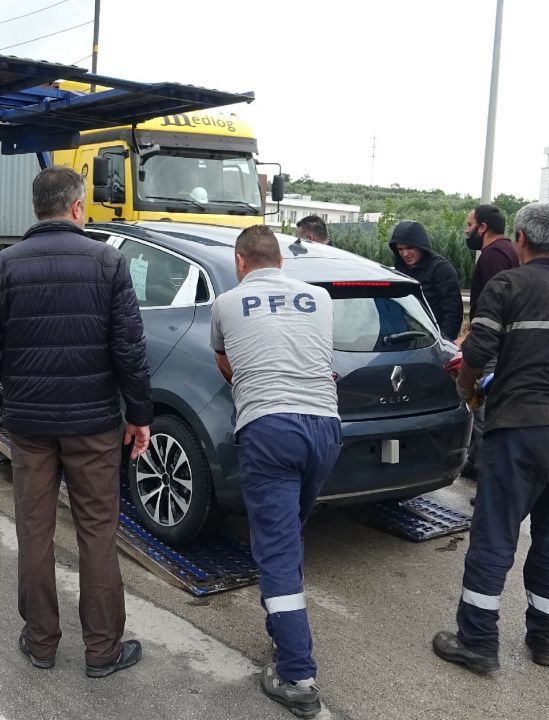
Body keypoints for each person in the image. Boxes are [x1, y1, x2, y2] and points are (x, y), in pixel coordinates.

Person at [0, 165, 152, 679]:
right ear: (77, 207)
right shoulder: (109, 263)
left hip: (29, 424)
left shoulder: (1, 267)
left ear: (36, 209)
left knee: (35, 531)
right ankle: (102, 651)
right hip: (94, 423)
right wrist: (139, 415)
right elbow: (129, 351)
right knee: (97, 531)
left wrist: (22, 380)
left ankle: (41, 642)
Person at [432, 202, 549, 674]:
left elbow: (478, 349)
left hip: (521, 428)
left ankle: (477, 641)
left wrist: (466, 388)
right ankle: (547, 641)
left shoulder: (507, 285)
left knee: (495, 533)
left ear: (520, 238)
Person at [210, 225, 340, 718]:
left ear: (241, 262)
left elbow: (226, 364)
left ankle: (297, 674)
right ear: (281, 262)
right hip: (325, 428)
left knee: (278, 548)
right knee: (288, 535)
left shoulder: (226, 303)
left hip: (269, 427)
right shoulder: (320, 298)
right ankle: (281, 628)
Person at [458, 204, 521, 481]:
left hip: (492, 342)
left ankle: (486, 470)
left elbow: (492, 305)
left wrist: (470, 336)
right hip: (505, 340)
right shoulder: (508, 250)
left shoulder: (493, 256)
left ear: (483, 227)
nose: (466, 230)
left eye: (469, 224)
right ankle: (476, 461)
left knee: (482, 406)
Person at [389, 220, 463, 340]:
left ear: (420, 246)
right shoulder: (400, 270)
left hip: (435, 339)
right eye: (400, 249)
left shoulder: (441, 269)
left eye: (409, 248)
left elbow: (452, 310)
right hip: (405, 338)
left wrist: (444, 341)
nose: (405, 254)